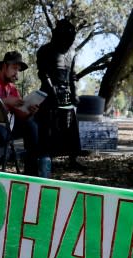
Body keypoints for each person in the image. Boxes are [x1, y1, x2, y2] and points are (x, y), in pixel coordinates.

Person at [0, 51, 40, 176]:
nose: (17, 73)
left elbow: (20, 114)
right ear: (4, 66)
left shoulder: (12, 88)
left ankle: (31, 174)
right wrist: (6, 101)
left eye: (18, 70)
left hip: (6, 129)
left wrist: (29, 110)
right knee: (0, 131)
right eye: (14, 68)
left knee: (31, 126)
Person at [35, 18, 85, 171]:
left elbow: (71, 75)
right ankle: (46, 159)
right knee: (48, 128)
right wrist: (53, 92)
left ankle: (72, 159)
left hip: (67, 94)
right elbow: (43, 74)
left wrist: (74, 93)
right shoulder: (45, 50)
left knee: (70, 129)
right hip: (49, 93)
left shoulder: (71, 53)